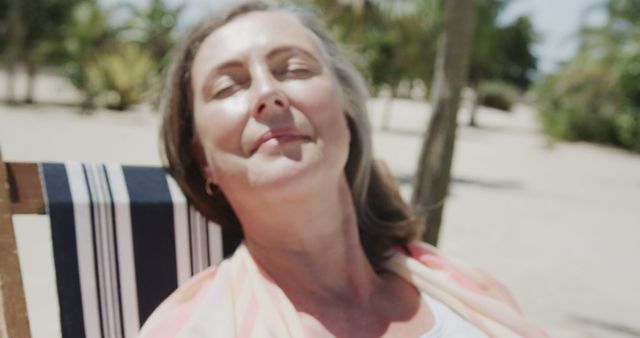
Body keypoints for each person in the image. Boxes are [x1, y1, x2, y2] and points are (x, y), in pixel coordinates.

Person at [139, 1, 547, 337]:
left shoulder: (475, 295)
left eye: (295, 69)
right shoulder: (193, 328)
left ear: (346, 114)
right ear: (202, 159)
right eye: (228, 87)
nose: (269, 94)